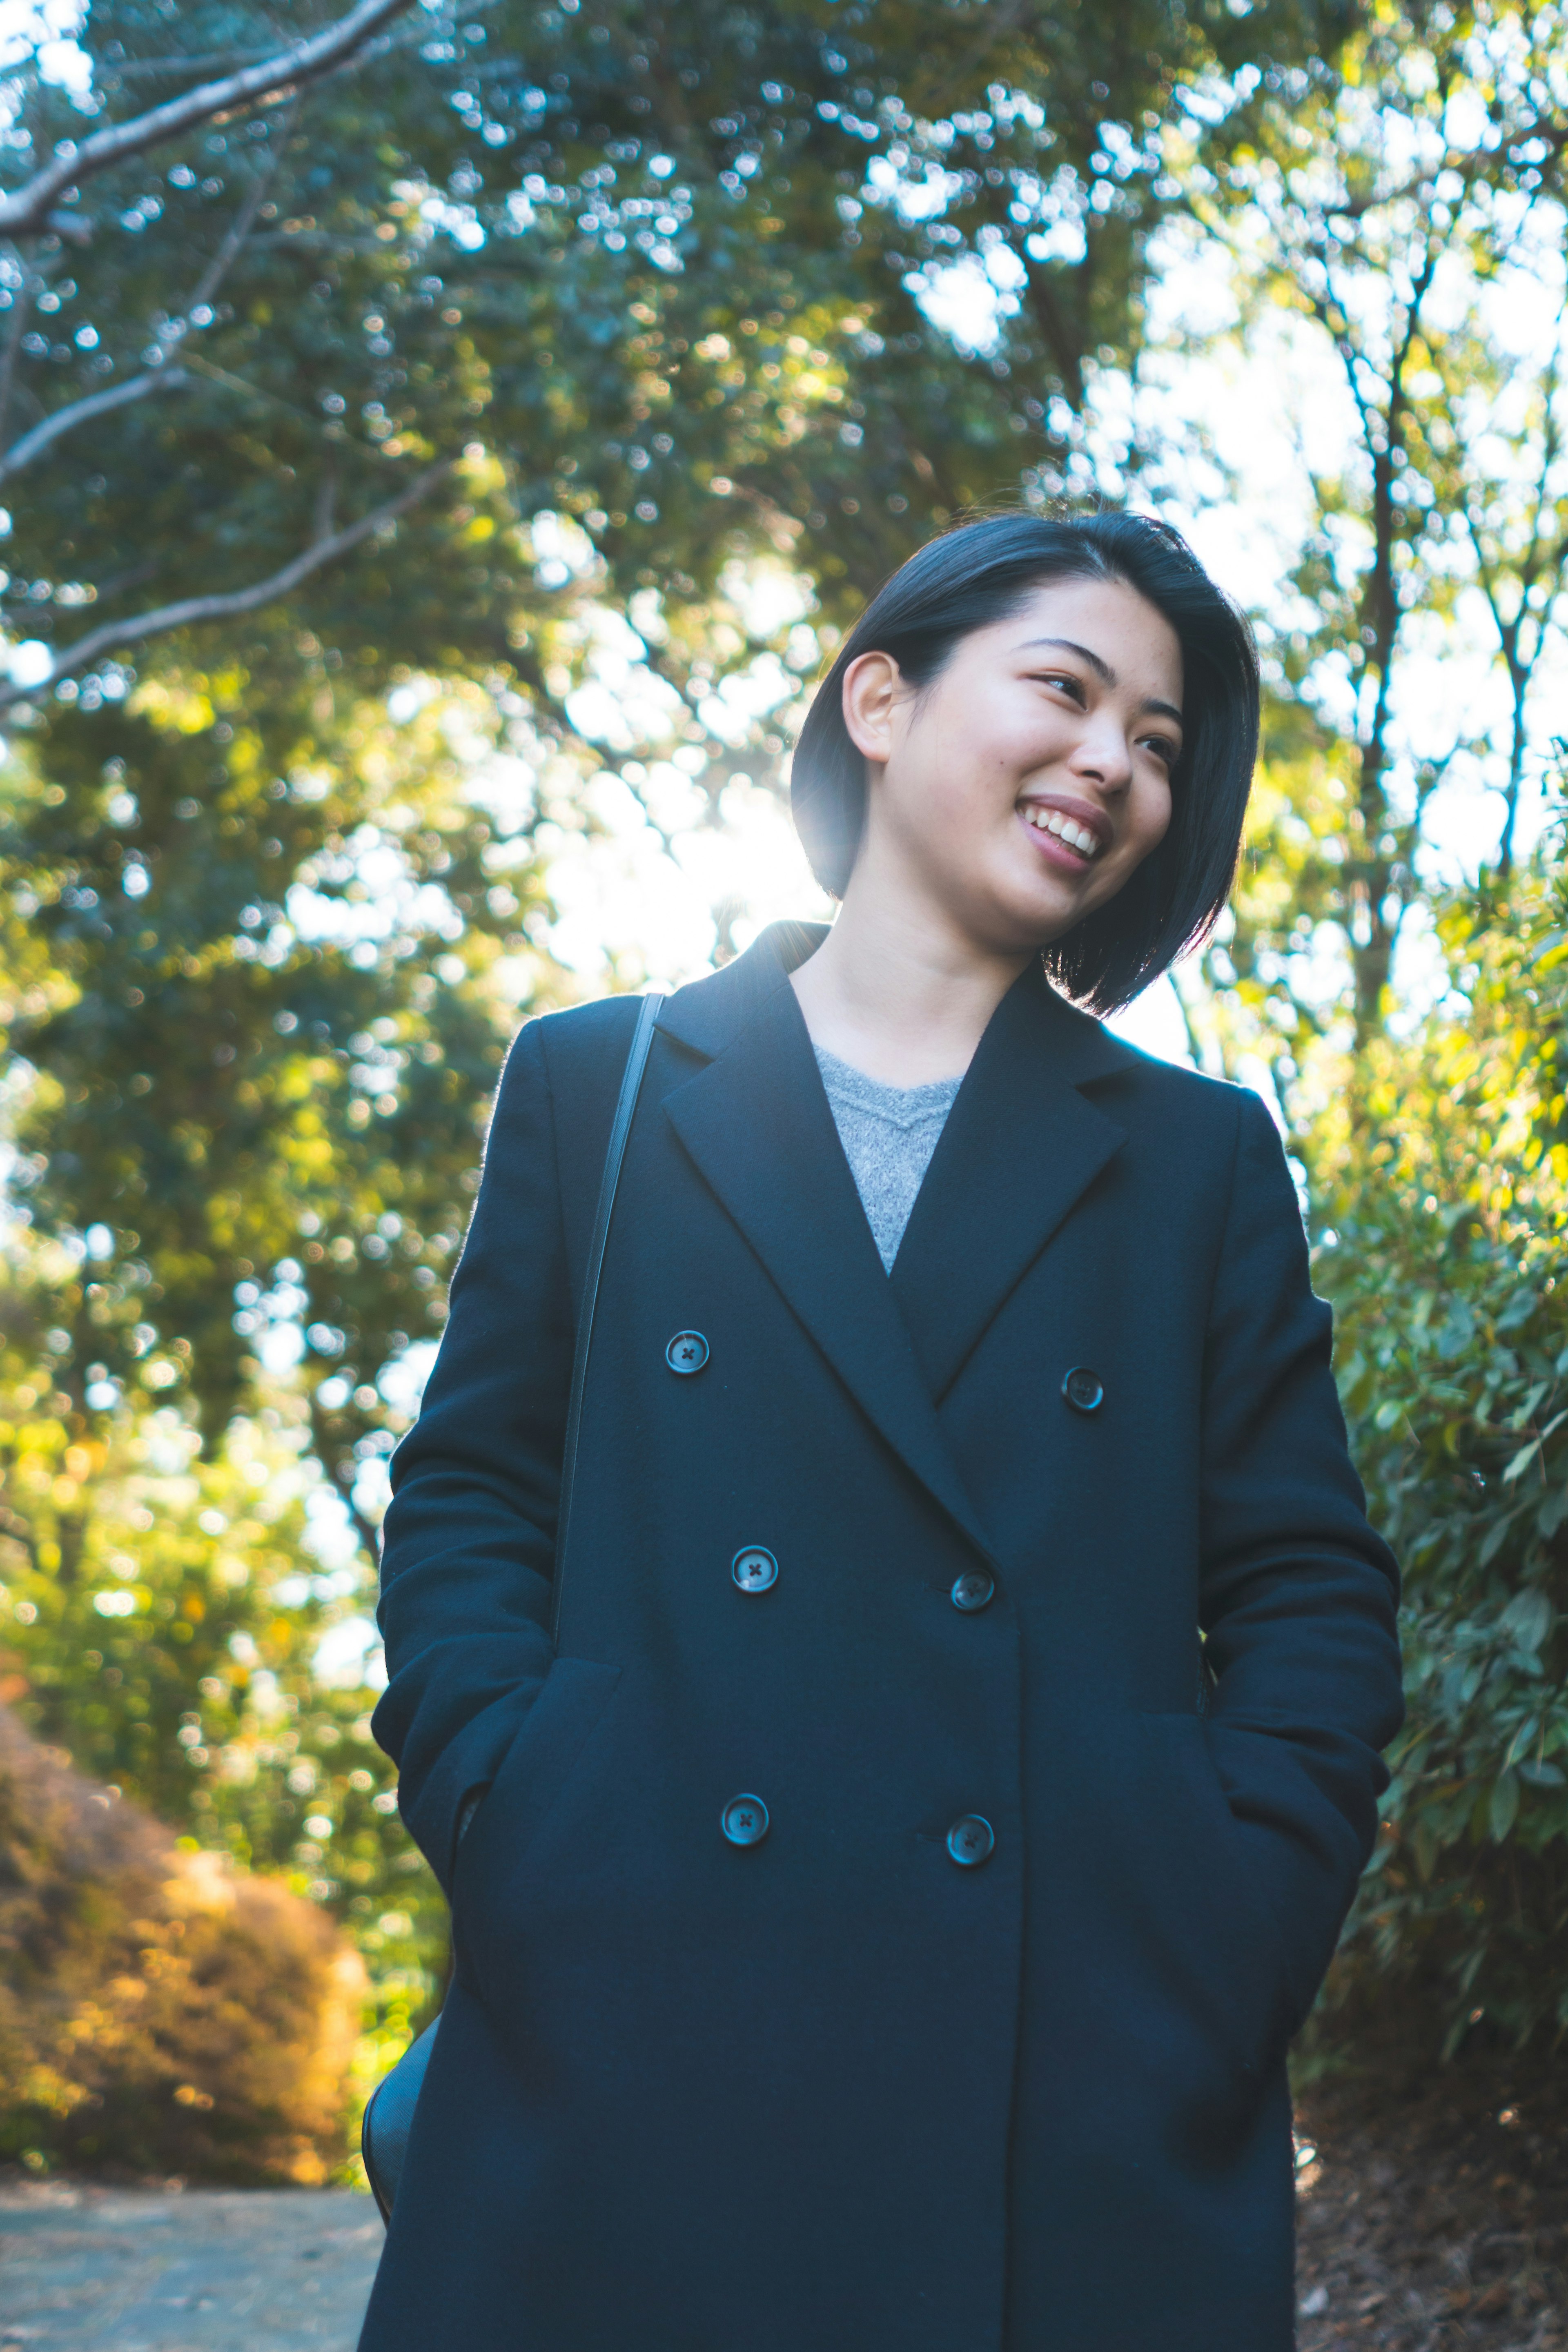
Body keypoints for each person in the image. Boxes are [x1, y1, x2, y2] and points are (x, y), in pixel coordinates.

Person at [357, 510, 1403, 2352]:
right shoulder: (599, 1084)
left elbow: (1308, 1584)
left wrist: (1223, 1916)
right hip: (629, 2009)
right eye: (1067, 692)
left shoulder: (1194, 1160)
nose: (1114, 763)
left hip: (1060, 2056)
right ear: (881, 698)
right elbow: (471, 1494)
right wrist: (520, 1805)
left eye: (1159, 746)